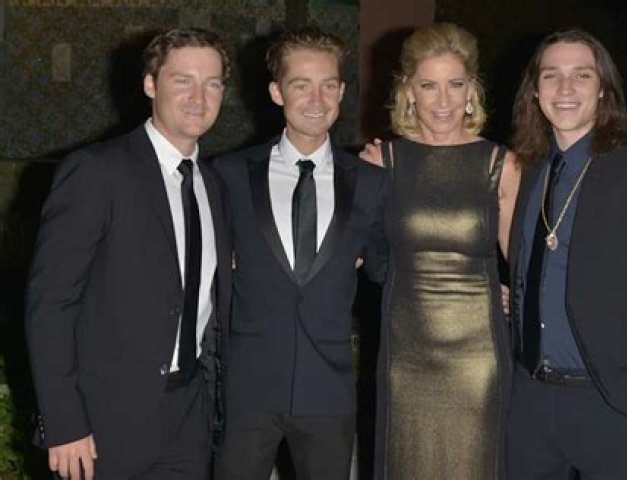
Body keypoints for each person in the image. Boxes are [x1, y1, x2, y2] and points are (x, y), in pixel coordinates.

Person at [25, 28, 232, 479]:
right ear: (150, 85)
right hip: (101, 423)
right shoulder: (96, 171)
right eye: (182, 81)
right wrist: (63, 422)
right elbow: (50, 304)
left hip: (188, 418)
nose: (198, 97)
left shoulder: (213, 185)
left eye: (212, 83)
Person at [506, 28, 627, 480]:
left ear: (604, 89)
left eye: (582, 75)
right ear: (535, 91)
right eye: (551, 76)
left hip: (611, 405)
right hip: (529, 402)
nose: (565, 88)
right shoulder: (527, 169)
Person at [212, 27, 388, 480]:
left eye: (328, 85)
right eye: (301, 85)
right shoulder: (230, 174)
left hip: (329, 393)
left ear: (342, 91)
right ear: (277, 92)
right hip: (247, 390)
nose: (316, 99)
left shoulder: (371, 182)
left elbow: (390, 268)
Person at [361, 22, 520, 480]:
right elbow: (354, 253)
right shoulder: (382, 162)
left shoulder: (501, 164)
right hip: (405, 351)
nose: (443, 100)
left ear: (472, 90)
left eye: (455, 84)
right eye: (429, 86)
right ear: (408, 92)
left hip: (478, 355)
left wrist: (515, 293)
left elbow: (527, 265)